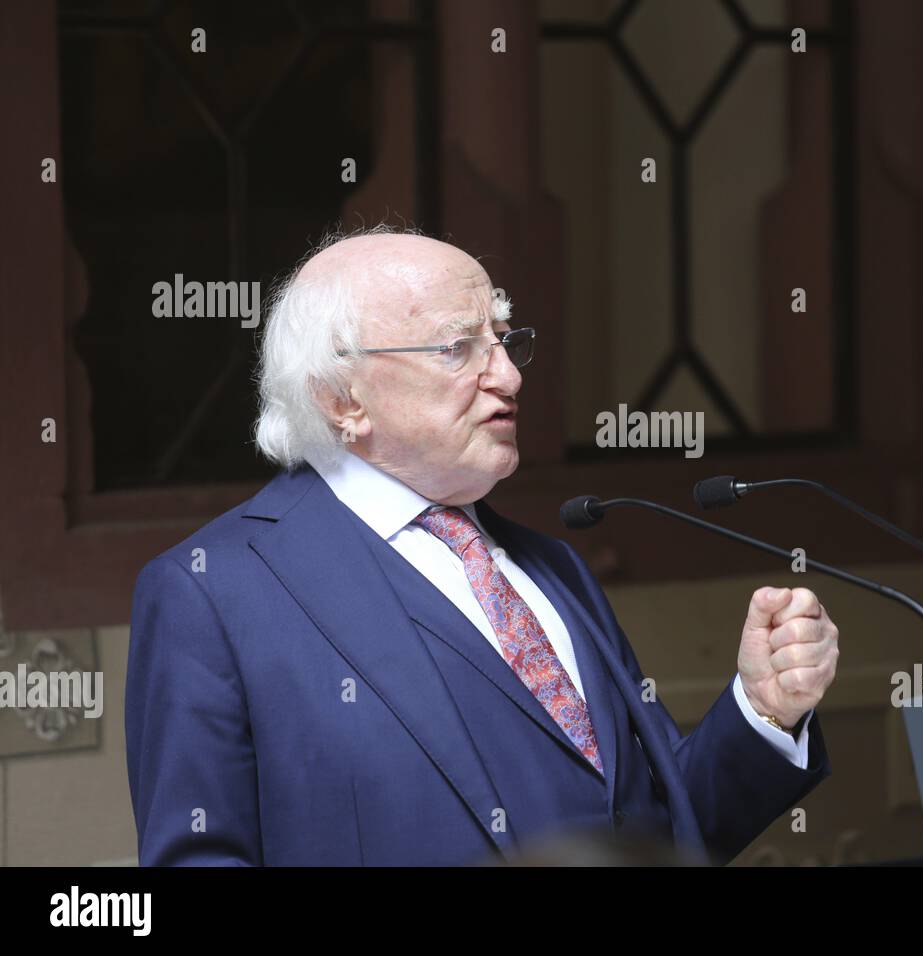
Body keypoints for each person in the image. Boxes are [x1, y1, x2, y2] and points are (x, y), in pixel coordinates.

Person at [124, 227, 839, 866]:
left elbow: (659, 836)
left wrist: (764, 711)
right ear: (343, 397)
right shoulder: (213, 590)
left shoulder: (551, 566)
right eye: (457, 348)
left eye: (503, 341)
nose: (509, 375)